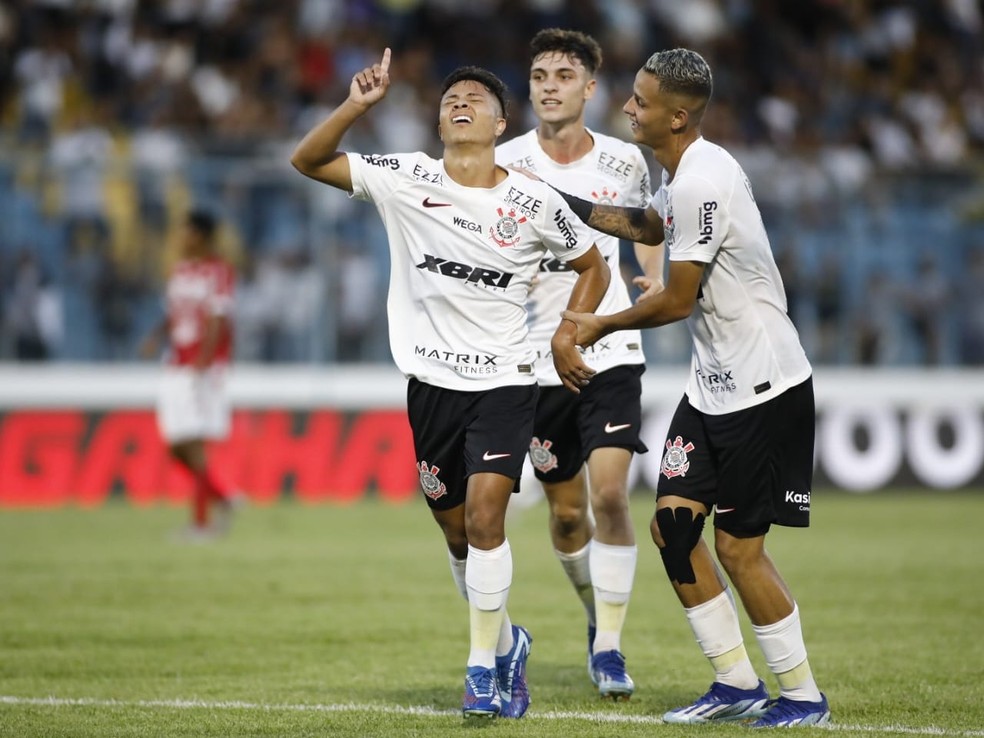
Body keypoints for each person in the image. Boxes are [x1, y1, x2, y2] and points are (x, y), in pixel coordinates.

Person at [290, 49, 610, 719]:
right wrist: (356, 105)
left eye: (474, 100)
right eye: (448, 101)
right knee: (458, 532)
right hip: (431, 384)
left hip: (507, 380)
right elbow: (307, 161)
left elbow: (591, 265)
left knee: (489, 518)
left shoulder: (531, 201)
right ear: (440, 124)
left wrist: (565, 334)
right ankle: (509, 643)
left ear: (501, 124)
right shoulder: (406, 177)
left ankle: (479, 671)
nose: (458, 104)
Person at [557, 48, 831, 727]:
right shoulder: (679, 173)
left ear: (677, 117)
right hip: (712, 388)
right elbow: (648, 226)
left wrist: (600, 324)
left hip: (764, 387)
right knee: (675, 527)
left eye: (641, 101)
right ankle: (734, 684)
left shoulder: (702, 179)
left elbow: (679, 300)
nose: (627, 107)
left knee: (739, 549)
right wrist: (558, 202)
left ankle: (801, 695)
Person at [495, 28, 664, 700]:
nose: (549, 85)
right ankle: (599, 616)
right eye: (539, 75)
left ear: (591, 88)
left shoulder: (624, 161)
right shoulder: (502, 161)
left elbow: (644, 230)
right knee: (567, 518)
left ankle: (614, 650)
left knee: (611, 495)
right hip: (532, 362)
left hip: (609, 347)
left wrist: (651, 279)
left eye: (564, 74)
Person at [140, 209, 241, 541]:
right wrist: (156, 337)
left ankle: (201, 524)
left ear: (200, 235)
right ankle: (224, 498)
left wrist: (205, 359)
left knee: (194, 443)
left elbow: (218, 319)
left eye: (186, 231)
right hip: (176, 364)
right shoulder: (179, 271)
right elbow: (175, 313)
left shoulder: (219, 272)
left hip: (202, 367)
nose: (181, 237)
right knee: (176, 444)